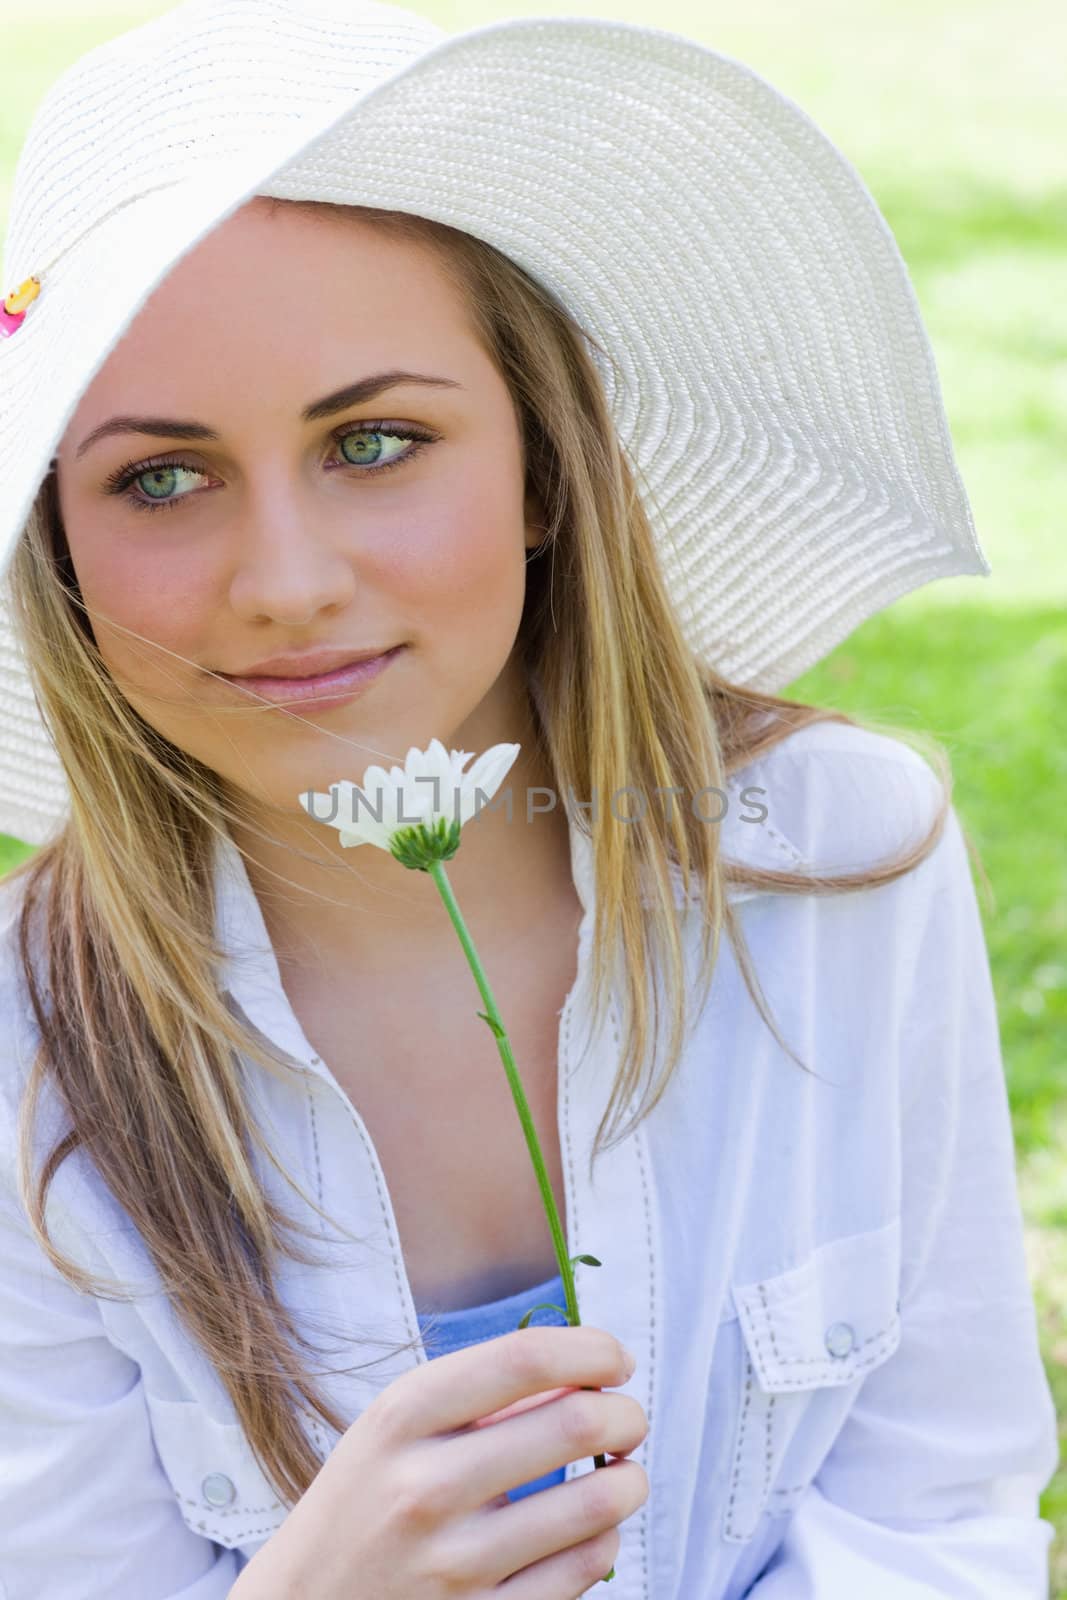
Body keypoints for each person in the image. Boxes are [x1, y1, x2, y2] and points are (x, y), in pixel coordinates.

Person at [0, 2, 1057, 1596]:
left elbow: (940, 1509)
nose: (287, 583)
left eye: (376, 440)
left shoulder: (842, 858)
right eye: (161, 477)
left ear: (544, 469)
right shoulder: (30, 1043)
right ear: (62, 558)